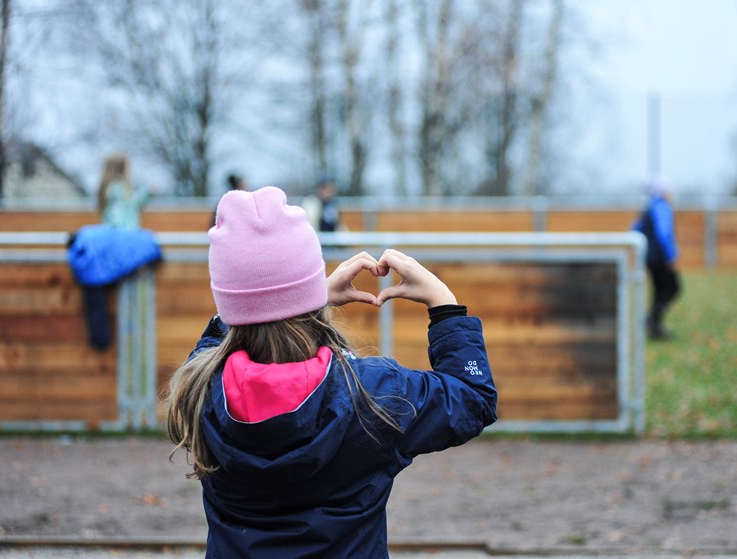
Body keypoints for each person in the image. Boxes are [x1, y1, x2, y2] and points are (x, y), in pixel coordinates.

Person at [166, 186, 497, 558]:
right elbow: (473, 397)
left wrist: (296, 298)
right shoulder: (373, 393)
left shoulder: (200, 391)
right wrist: (444, 305)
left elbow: (216, 340)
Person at [632, 176, 681, 340]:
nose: (671, 193)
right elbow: (664, 232)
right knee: (673, 288)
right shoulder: (661, 206)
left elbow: (634, 229)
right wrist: (671, 255)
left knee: (660, 290)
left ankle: (655, 326)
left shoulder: (650, 206)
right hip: (660, 257)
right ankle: (652, 319)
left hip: (649, 257)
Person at [96, 153, 149, 230]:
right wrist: (148, 192)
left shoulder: (107, 188)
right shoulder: (120, 189)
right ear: (124, 169)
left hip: (109, 232)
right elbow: (134, 201)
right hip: (126, 232)